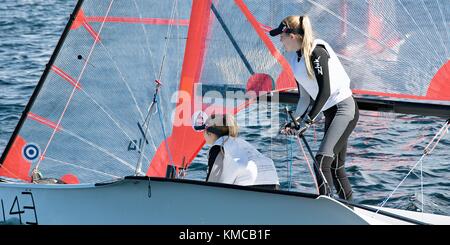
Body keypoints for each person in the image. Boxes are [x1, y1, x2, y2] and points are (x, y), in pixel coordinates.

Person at [270, 15, 359, 200]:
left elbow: (324, 92)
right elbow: (304, 98)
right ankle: (348, 208)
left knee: (321, 163)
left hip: (344, 110)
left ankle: (326, 210)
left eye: (282, 36)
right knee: (334, 167)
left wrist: (307, 121)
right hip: (331, 113)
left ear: (292, 36)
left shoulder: (316, 52)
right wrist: (294, 121)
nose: (280, 40)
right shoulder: (296, 60)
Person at [196, 113, 280, 190]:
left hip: (249, 186)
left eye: (203, 129)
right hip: (273, 181)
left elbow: (211, 187)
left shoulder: (219, 147)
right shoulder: (241, 143)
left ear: (209, 133)